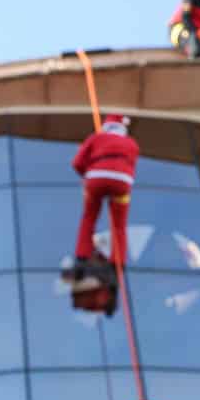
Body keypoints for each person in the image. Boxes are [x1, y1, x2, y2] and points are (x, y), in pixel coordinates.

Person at [62, 113, 140, 304]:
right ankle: (117, 264)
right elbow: (131, 164)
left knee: (89, 218)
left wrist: (87, 176)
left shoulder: (95, 138)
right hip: (122, 183)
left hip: (96, 180)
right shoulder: (132, 144)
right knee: (119, 226)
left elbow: (77, 163)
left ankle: (82, 258)